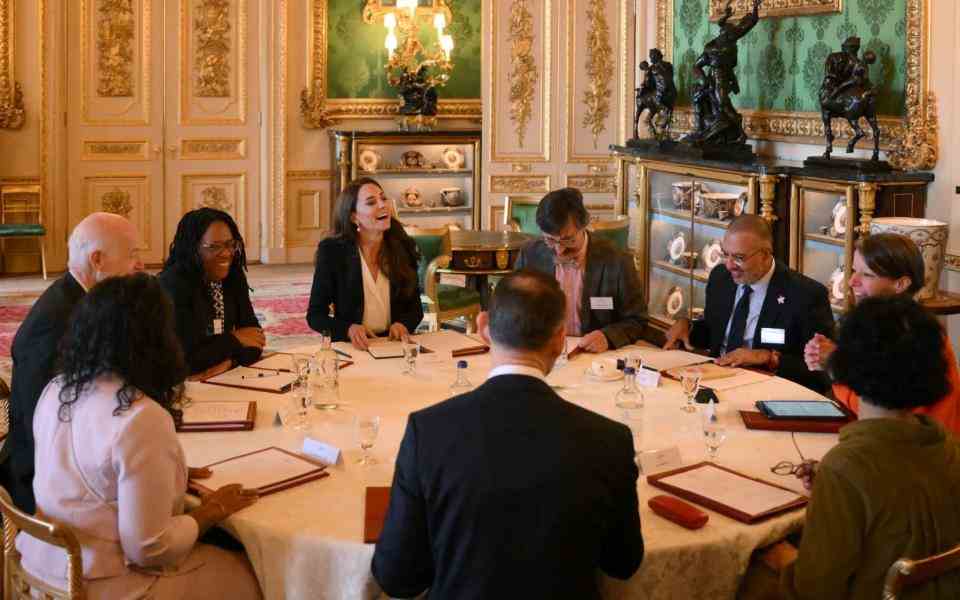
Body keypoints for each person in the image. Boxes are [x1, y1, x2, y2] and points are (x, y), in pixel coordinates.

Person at [372, 270, 644, 599]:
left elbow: (397, 578)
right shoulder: (609, 440)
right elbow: (623, 563)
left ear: (484, 328)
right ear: (560, 340)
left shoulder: (428, 432)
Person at [18, 273, 263, 599]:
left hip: (40, 566)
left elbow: (85, 474)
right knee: (262, 571)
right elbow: (148, 548)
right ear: (156, 339)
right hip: (103, 584)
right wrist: (212, 511)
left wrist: (166, 478)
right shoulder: (140, 417)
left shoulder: (58, 388)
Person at [763, 296, 960, 599]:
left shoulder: (845, 468)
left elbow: (814, 590)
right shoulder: (946, 444)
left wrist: (781, 557)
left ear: (848, 364)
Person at [2, 212, 143, 513]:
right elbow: (44, 426)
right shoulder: (54, 325)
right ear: (97, 260)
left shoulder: (85, 302)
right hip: (42, 481)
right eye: (132, 255)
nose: (140, 265)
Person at [804, 233, 960, 433]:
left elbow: (881, 413)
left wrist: (836, 366)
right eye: (853, 271)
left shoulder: (907, 333)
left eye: (867, 275)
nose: (852, 282)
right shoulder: (881, 325)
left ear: (901, 284)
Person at [663, 215, 834, 392]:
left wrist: (769, 358)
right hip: (714, 382)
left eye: (738, 257)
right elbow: (714, 332)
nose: (729, 265)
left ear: (765, 255)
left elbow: (821, 375)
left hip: (768, 392)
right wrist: (688, 327)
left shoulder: (805, 295)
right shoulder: (721, 278)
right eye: (726, 254)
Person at [514, 187, 645, 353]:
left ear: (584, 226)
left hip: (593, 357)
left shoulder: (616, 260)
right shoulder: (530, 254)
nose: (559, 250)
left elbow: (637, 320)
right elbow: (513, 306)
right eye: (550, 240)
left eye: (568, 240)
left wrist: (608, 337)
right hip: (541, 351)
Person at [307, 177, 423, 349]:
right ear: (354, 217)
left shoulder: (403, 246)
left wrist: (403, 324)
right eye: (371, 202)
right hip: (354, 346)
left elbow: (415, 309)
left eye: (383, 199)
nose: (382, 205)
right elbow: (315, 316)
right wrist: (348, 329)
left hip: (395, 345)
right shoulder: (332, 251)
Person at [158, 208, 264, 378]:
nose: (226, 253)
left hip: (225, 376)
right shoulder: (172, 286)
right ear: (193, 248)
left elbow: (255, 340)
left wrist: (230, 363)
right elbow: (185, 360)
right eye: (214, 247)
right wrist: (235, 339)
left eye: (231, 244)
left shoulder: (233, 275)